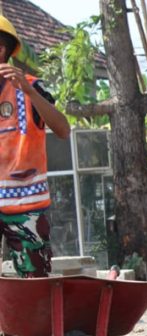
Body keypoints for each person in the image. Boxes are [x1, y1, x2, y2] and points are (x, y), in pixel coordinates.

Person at [0, 15, 70, 276]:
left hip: (26, 205)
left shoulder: (30, 87)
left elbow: (63, 130)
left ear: (2, 50)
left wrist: (30, 94)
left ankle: (36, 318)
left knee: (35, 278)